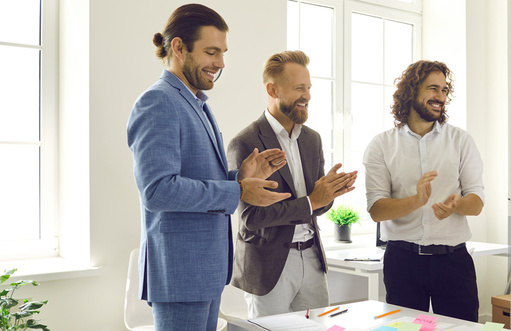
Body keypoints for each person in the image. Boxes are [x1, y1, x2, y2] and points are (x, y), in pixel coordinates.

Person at [127, 4, 291, 330]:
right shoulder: (158, 101)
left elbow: (196, 179)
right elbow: (158, 191)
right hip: (181, 276)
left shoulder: (197, 102)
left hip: (205, 274)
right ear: (178, 47)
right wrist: (237, 190)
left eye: (222, 53)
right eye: (211, 52)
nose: (220, 63)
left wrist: (240, 177)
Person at [226, 50, 358, 318]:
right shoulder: (245, 143)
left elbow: (317, 206)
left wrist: (329, 193)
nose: (307, 95)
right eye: (299, 88)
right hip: (268, 267)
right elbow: (251, 217)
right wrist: (313, 201)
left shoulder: (312, 140)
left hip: (312, 259)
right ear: (272, 89)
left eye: (308, 88)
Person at [363, 60, 485, 322]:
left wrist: (458, 205)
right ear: (411, 92)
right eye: (433, 89)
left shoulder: (460, 140)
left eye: (443, 90)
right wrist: (417, 200)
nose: (440, 96)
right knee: (406, 330)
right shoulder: (381, 145)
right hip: (403, 263)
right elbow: (376, 210)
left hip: (453, 262)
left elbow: (476, 202)